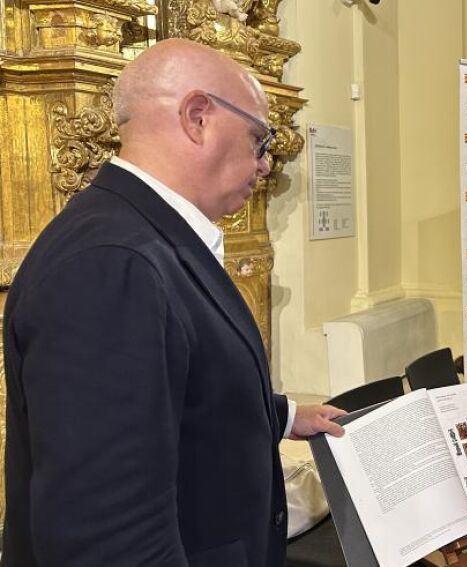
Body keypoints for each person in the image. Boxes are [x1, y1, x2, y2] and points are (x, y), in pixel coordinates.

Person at [2, 39, 346, 566]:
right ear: (198, 117)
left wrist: (282, 415)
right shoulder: (110, 264)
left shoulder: (143, 234)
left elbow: (175, 384)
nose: (264, 164)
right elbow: (109, 540)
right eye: (259, 139)